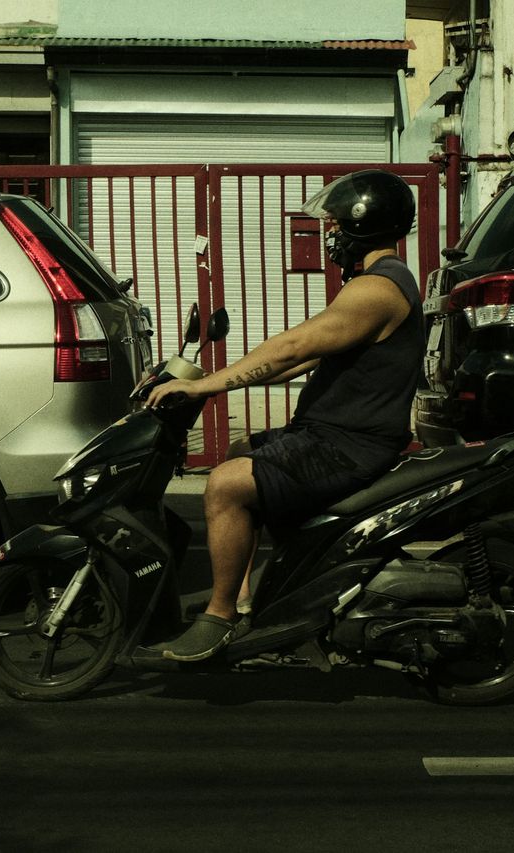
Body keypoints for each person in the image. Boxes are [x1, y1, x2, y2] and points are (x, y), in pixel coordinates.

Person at [145, 168, 423, 662]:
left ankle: (221, 613)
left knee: (225, 484)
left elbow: (292, 346)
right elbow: (297, 360)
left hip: (348, 445)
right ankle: (254, 599)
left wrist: (199, 386)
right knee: (240, 451)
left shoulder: (377, 290)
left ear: (364, 222)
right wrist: (219, 381)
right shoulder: (377, 284)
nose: (330, 234)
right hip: (331, 433)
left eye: (336, 224)